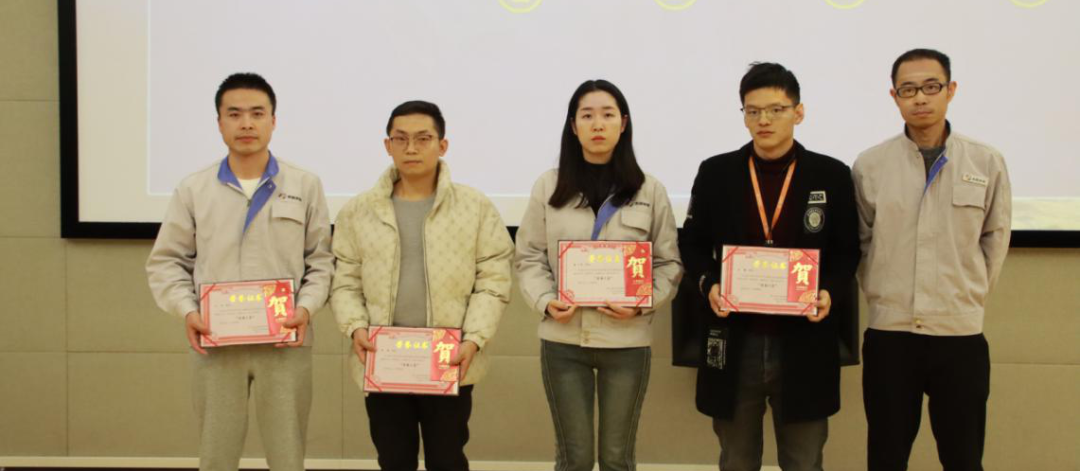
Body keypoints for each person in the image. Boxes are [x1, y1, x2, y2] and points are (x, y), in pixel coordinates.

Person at [146, 72, 334, 471]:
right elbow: (167, 262)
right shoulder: (193, 189)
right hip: (216, 343)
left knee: (288, 457)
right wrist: (187, 311)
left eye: (257, 113)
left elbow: (321, 261)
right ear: (219, 123)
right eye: (234, 114)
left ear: (273, 121)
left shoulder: (305, 185)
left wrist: (306, 308)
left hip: (286, 343)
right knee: (216, 455)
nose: (246, 123)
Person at [680, 62, 860, 471]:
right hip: (735, 338)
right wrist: (708, 284)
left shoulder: (831, 175)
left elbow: (847, 250)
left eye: (776, 109)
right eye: (753, 111)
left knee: (804, 461)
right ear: (743, 115)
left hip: (804, 340)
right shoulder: (716, 172)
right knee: (737, 460)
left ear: (799, 112)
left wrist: (829, 291)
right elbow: (691, 243)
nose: (764, 120)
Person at [330, 100, 514, 471]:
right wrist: (355, 328)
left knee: (447, 460)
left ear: (442, 145)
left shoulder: (474, 207)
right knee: (394, 460)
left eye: (423, 138)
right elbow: (345, 281)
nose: (411, 148)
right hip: (384, 359)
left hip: (448, 360)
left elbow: (493, 280)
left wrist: (473, 339)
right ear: (388, 146)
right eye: (401, 139)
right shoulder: (358, 211)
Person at [853, 48, 1011, 471]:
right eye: (908, 89)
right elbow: (862, 244)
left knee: (963, 458)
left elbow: (995, 239)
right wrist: (883, 292)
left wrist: (968, 296)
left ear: (950, 90)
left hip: (959, 335)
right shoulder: (870, 165)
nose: (920, 97)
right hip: (891, 336)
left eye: (931, 86)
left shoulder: (986, 161)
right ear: (894, 96)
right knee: (886, 458)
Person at [514, 79, 683, 471]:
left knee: (616, 459)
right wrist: (546, 301)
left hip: (626, 341)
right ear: (573, 126)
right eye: (587, 115)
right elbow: (529, 256)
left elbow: (669, 264)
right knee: (573, 459)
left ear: (623, 123)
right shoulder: (549, 185)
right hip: (563, 340)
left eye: (607, 115)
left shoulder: (648, 189)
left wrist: (641, 304)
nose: (597, 124)